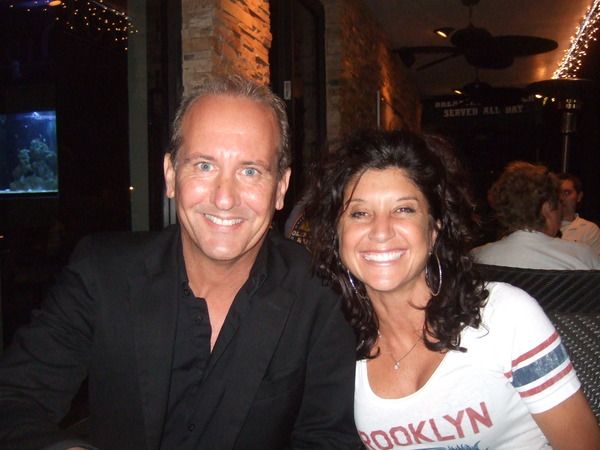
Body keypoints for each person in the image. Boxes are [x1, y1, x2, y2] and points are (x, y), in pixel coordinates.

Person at [0, 75, 360, 450]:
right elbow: (13, 398)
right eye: (204, 166)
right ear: (171, 176)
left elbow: (328, 437)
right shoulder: (102, 274)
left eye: (250, 171)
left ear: (281, 188)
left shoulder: (319, 293)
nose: (224, 198)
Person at [304, 130, 600, 450]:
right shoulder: (332, 346)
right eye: (359, 213)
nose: (381, 230)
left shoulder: (504, 316)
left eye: (404, 209)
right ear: (338, 234)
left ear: (434, 229)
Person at [471, 161, 600, 270]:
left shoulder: (477, 258)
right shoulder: (582, 258)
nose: (561, 212)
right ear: (547, 207)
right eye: (559, 202)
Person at [558, 172, 600, 255]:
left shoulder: (589, 230)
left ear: (579, 196)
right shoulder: (541, 225)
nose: (561, 198)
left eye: (567, 193)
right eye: (557, 192)